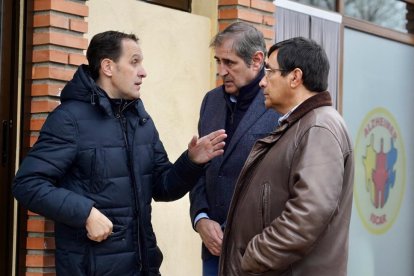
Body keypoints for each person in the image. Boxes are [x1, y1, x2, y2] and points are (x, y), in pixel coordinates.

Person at [12, 30, 227, 276]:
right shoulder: (69, 119)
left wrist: (190, 162)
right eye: (134, 62)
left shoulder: (141, 121)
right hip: (91, 269)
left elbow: (162, 187)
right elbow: (27, 184)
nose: (143, 71)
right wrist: (85, 213)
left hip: (143, 266)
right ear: (108, 67)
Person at [219, 37, 354, 276]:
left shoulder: (318, 127)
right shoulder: (301, 125)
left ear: (295, 77)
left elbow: (308, 214)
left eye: (269, 71)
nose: (262, 82)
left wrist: (252, 257)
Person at [189, 22, 280, 276]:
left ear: (257, 60)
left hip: (257, 253)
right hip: (212, 250)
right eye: (218, 61)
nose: (221, 71)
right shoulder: (211, 101)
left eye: (229, 63)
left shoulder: (279, 105)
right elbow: (199, 168)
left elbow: (280, 183)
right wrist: (201, 218)